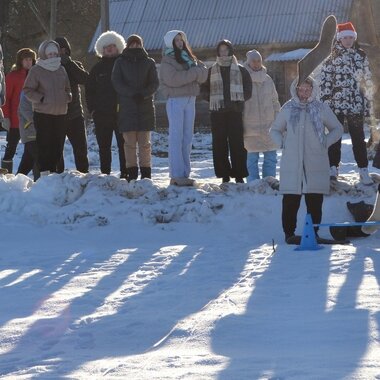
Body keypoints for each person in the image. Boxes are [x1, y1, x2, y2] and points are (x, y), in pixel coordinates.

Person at [270, 77, 343, 244]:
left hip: (315, 160)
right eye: (301, 90)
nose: (304, 93)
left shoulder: (320, 108)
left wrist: (326, 141)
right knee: (290, 198)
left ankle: (313, 231)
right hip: (292, 161)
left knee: (314, 198)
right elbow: (275, 129)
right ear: (295, 90)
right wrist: (281, 142)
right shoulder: (288, 108)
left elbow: (337, 128)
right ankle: (289, 233)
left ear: (313, 89)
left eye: (307, 89)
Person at [320, 21, 374, 185]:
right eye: (346, 38)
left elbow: (367, 79)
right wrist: (325, 103)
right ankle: (332, 169)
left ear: (354, 38)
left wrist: (369, 100)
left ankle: (363, 170)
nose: (349, 40)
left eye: (351, 37)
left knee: (358, 138)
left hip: (355, 103)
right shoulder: (331, 57)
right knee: (335, 138)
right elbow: (325, 81)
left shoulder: (361, 55)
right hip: (336, 105)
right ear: (340, 39)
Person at [159, 30, 208, 186]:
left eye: (181, 40)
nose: (180, 43)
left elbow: (204, 73)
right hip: (175, 100)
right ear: (170, 43)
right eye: (176, 40)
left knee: (187, 137)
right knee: (176, 137)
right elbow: (174, 79)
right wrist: (194, 74)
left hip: (190, 99)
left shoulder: (190, 58)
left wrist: (193, 73)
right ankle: (176, 174)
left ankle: (185, 173)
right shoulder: (167, 61)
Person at [201, 39, 252, 184]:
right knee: (219, 145)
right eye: (221, 50)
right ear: (218, 52)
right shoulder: (211, 70)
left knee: (237, 145)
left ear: (230, 51)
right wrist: (211, 98)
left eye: (226, 50)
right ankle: (224, 174)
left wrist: (238, 99)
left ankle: (239, 174)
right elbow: (203, 89)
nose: (223, 53)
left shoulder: (240, 70)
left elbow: (248, 90)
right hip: (217, 113)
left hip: (235, 112)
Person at [111, 34, 159, 181]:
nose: (135, 46)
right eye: (132, 44)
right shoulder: (120, 62)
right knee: (129, 144)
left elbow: (154, 83)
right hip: (127, 107)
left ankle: (146, 173)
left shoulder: (149, 62)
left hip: (145, 107)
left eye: (138, 44)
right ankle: (131, 172)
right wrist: (131, 94)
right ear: (128, 45)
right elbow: (116, 82)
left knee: (145, 143)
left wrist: (143, 94)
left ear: (141, 45)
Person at [23, 40, 72, 176]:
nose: (52, 56)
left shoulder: (61, 69)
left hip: (61, 113)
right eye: (49, 53)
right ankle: (44, 173)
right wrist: (41, 98)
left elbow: (68, 88)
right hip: (43, 113)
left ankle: (54, 173)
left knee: (58, 144)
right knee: (44, 144)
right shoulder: (36, 70)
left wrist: (67, 97)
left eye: (55, 53)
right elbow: (27, 90)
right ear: (43, 54)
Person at [85, 31, 127, 178]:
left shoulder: (124, 65)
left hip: (122, 113)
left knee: (124, 146)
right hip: (102, 114)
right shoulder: (96, 69)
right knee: (104, 146)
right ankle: (105, 174)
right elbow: (89, 91)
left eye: (112, 46)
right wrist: (93, 110)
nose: (109, 49)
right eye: (106, 46)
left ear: (118, 47)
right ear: (101, 49)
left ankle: (126, 173)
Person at [243, 49, 280, 181]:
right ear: (248, 62)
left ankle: (269, 181)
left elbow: (275, 101)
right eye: (254, 61)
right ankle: (253, 183)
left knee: (271, 156)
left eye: (259, 60)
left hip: (269, 125)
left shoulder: (268, 79)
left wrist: (278, 119)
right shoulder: (243, 78)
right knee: (251, 158)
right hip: (250, 126)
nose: (257, 63)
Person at [55, 37, 89, 173]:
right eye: (58, 50)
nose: (61, 52)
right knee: (57, 150)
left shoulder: (75, 65)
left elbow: (85, 78)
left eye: (63, 49)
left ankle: (83, 175)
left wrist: (68, 63)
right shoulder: (48, 67)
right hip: (56, 114)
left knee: (81, 149)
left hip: (75, 114)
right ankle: (58, 177)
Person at [1, 48, 36, 174]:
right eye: (25, 59)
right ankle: (5, 177)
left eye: (30, 59)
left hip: (31, 120)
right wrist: (6, 118)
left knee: (33, 149)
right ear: (20, 61)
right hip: (15, 121)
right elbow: (6, 99)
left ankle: (31, 177)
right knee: (11, 149)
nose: (28, 62)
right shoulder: (12, 76)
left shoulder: (37, 75)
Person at [17, 91, 39, 180]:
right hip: (30, 131)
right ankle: (41, 183)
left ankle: (16, 182)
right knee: (39, 158)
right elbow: (28, 113)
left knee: (28, 160)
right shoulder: (26, 94)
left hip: (35, 131)